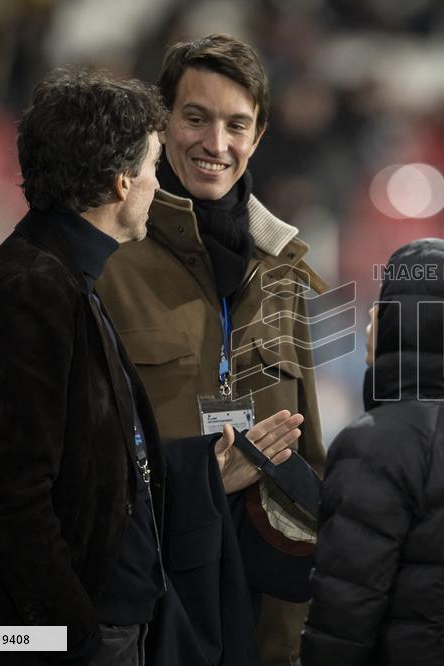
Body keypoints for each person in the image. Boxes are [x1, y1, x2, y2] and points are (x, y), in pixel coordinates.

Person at [0, 68, 168, 665]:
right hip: (56, 642)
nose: (159, 185)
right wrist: (73, 633)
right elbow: (12, 498)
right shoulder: (33, 287)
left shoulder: (60, 276)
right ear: (118, 182)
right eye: (154, 166)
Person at [96, 34, 325, 665]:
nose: (214, 144)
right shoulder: (109, 259)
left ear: (259, 135)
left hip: (260, 614)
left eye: (236, 124)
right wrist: (198, 481)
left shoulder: (285, 271)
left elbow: (310, 456)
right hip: (150, 607)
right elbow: (77, 461)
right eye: (195, 117)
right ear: (162, 123)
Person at [300, 238, 444, 665]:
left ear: (413, 325)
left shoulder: (374, 444)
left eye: (385, 304)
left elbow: (343, 614)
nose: (372, 315)